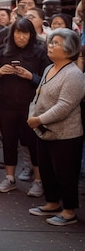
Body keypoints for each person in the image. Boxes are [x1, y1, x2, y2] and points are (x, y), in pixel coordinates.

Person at [27, 28, 85, 226]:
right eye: (50, 42)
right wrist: (32, 116)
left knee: (66, 173)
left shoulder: (74, 74)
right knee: (47, 170)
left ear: (69, 49)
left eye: (56, 43)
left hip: (66, 134)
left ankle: (69, 212)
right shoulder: (48, 68)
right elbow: (38, 94)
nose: (50, 46)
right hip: (43, 131)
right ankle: (52, 203)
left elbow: (65, 106)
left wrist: (39, 119)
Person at [0, 18, 50, 197]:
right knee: (9, 142)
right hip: (6, 105)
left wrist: (30, 76)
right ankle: (10, 178)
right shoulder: (3, 51)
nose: (20, 37)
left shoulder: (39, 52)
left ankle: (38, 180)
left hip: (30, 106)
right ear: (12, 34)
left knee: (33, 143)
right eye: (17, 32)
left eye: (24, 33)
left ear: (30, 34)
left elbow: (47, 81)